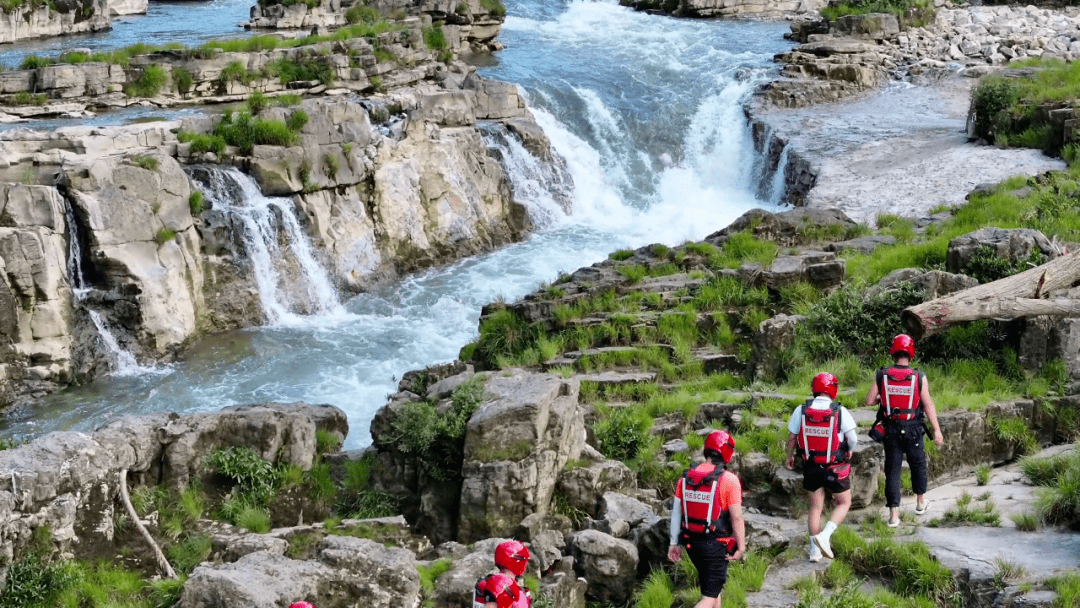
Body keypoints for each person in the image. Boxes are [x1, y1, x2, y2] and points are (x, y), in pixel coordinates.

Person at [864, 334, 944, 527]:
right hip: (913, 429)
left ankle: (893, 515)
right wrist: (937, 430)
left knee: (892, 470)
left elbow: (868, 401)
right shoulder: (918, 376)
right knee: (918, 465)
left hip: (890, 429)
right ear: (911, 353)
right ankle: (920, 503)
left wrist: (883, 400)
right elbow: (928, 405)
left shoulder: (882, 375)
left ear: (893, 352)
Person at [667, 430, 746, 608]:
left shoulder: (686, 478)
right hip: (714, 546)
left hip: (691, 544)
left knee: (713, 592)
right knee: (708, 598)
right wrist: (741, 546)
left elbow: (676, 513)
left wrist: (674, 543)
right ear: (727, 452)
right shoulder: (729, 480)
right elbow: (737, 518)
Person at [785, 372, 858, 562]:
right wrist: (848, 450)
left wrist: (789, 458)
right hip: (835, 466)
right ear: (832, 389)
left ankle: (814, 552)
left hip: (811, 466)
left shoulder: (801, 410)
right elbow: (853, 438)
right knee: (844, 502)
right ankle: (825, 536)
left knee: (815, 507)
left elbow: (792, 437)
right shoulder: (839, 411)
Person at [474, 540, 532, 608]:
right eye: (524, 561)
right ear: (516, 560)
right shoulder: (500, 584)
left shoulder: (488, 582)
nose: (526, 565)